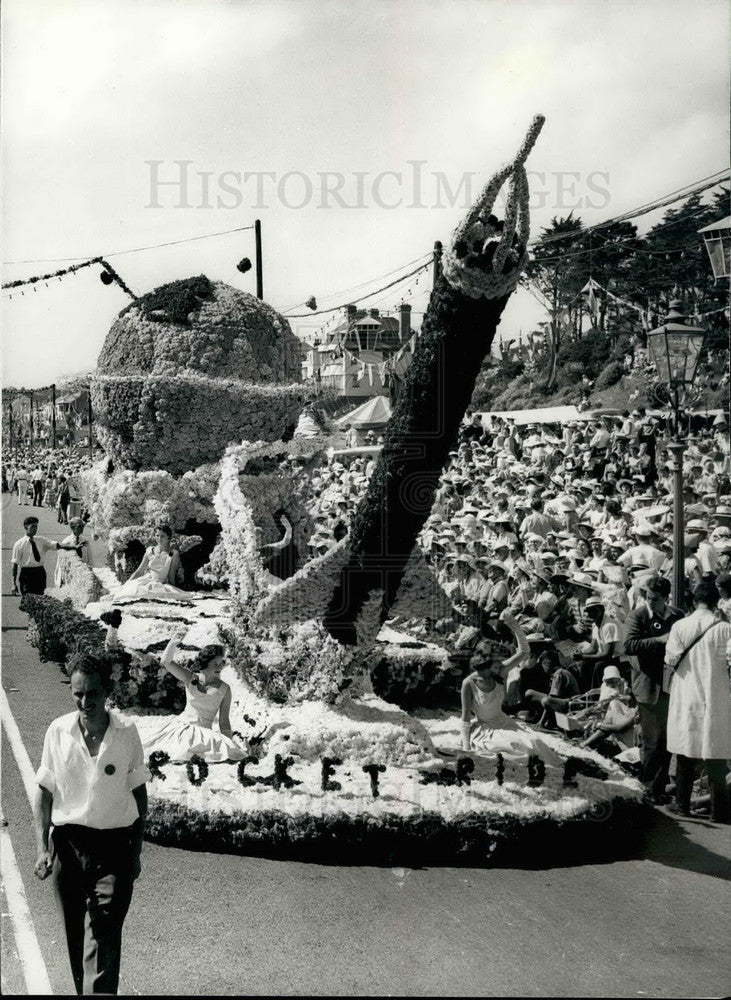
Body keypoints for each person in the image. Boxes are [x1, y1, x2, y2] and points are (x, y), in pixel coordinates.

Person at [33, 650, 149, 995]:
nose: (85, 701)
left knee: (101, 938)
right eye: (78, 693)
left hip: (114, 849)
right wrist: (42, 847)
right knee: (76, 938)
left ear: (107, 690)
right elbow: (45, 792)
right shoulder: (58, 731)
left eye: (93, 693)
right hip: (68, 847)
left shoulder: (126, 733)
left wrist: (137, 850)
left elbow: (139, 794)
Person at [664, 580, 731, 822]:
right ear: (716, 603)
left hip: (687, 694)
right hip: (716, 695)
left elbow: (670, 660)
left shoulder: (680, 626)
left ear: (694, 602)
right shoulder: (725, 628)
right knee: (716, 755)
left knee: (685, 751)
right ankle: (719, 811)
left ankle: (682, 806)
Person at [459, 612, 561, 764]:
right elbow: (465, 716)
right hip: (486, 729)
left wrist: (515, 627)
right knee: (518, 750)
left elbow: (524, 652)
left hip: (505, 722)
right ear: (487, 660)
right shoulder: (469, 683)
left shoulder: (499, 671)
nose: (502, 663)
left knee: (534, 742)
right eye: (498, 661)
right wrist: (466, 748)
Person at [131, 638, 247, 762]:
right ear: (205, 663)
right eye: (215, 663)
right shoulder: (190, 677)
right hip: (182, 729)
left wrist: (228, 744)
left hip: (205, 734)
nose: (219, 667)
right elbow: (166, 661)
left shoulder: (225, 689)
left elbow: (224, 720)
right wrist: (174, 642)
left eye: (221, 663)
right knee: (165, 752)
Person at [623, 575, 683, 802]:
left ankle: (656, 787)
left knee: (666, 741)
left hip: (671, 686)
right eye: (647, 597)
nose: (650, 602)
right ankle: (646, 786)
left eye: (655, 599)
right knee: (651, 741)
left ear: (666, 598)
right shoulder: (638, 615)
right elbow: (628, 645)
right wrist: (659, 640)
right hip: (647, 686)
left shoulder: (677, 616)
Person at [11, 516, 87, 596]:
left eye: (36, 526)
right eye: (32, 527)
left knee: (40, 600)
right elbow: (14, 564)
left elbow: (58, 545)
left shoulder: (41, 540)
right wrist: (13, 584)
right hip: (26, 575)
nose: (35, 529)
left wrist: (73, 547)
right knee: (27, 600)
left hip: (39, 573)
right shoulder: (19, 544)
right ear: (26, 527)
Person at [113, 524, 188, 603]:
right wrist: (127, 584)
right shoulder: (150, 550)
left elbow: (171, 574)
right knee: (133, 591)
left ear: (168, 537)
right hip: (147, 581)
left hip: (160, 583)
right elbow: (139, 571)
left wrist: (174, 589)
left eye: (162, 536)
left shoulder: (173, 554)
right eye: (157, 535)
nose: (159, 538)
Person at [54, 516, 93, 587]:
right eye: (79, 526)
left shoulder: (85, 541)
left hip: (84, 573)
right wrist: (59, 581)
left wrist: (92, 571)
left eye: (82, 526)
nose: (82, 528)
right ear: (72, 527)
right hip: (71, 574)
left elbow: (89, 557)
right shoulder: (66, 542)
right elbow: (60, 563)